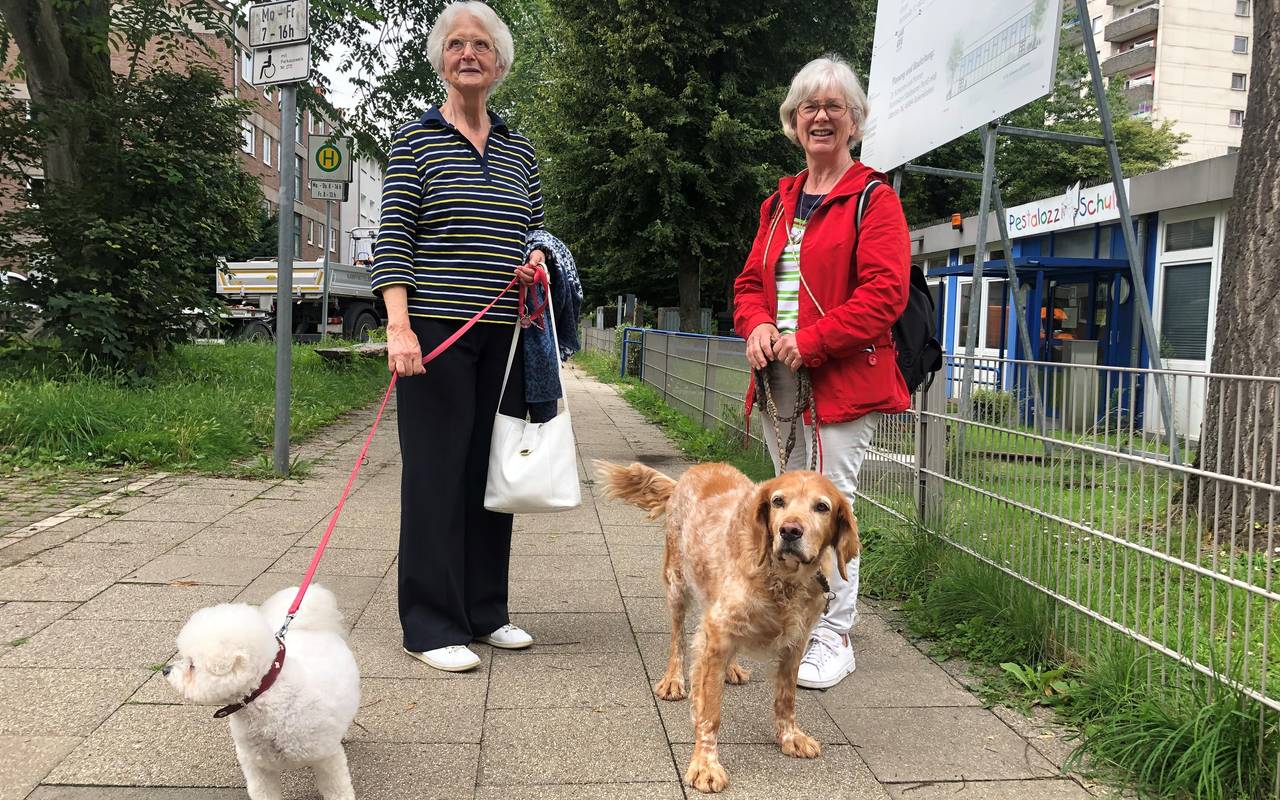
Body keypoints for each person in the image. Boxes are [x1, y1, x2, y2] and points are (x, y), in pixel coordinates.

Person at [371, 1, 547, 673]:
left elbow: (533, 232)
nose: (468, 54)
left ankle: (484, 612)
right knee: (435, 478)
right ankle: (430, 624)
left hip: (506, 336)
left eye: (481, 45)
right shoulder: (413, 142)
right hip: (436, 335)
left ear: (499, 64)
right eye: (456, 45)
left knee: (489, 475)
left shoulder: (519, 149)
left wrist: (534, 264)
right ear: (441, 60)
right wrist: (399, 327)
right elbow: (394, 241)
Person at [732, 54, 911, 690]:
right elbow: (751, 281)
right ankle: (792, 618)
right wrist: (756, 325)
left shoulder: (874, 198)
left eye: (835, 106)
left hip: (840, 379)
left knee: (833, 504)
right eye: (809, 106)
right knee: (788, 511)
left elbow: (885, 293)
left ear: (855, 122)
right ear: (793, 120)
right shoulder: (778, 202)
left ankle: (834, 633)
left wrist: (811, 341)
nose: (821, 116)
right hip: (779, 379)